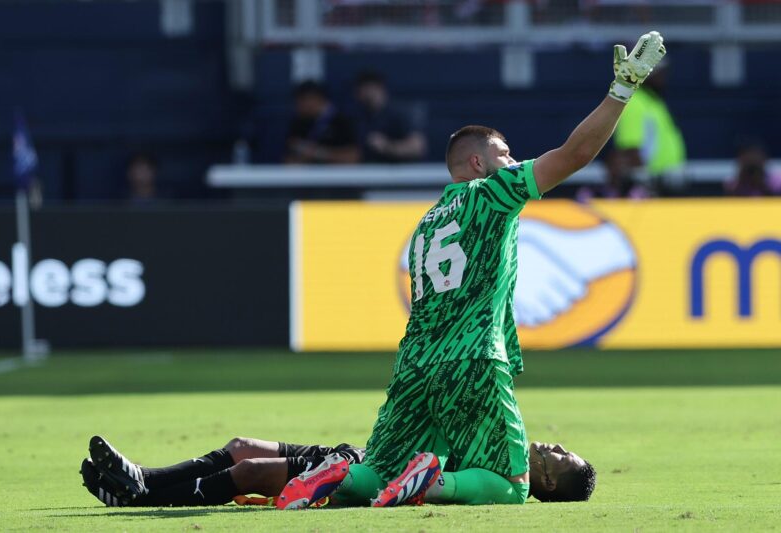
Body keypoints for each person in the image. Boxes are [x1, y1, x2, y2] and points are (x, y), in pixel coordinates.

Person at [275, 31, 666, 510]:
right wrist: (621, 91)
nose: (513, 161)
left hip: (415, 362)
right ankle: (434, 484)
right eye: (505, 155)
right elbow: (573, 157)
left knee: (380, 470)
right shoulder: (492, 193)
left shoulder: (428, 220)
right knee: (512, 483)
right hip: (473, 357)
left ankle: (340, 476)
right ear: (478, 163)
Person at [79, 435, 594, 507]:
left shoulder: (506, 486)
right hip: (365, 451)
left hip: (354, 474)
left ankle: (142, 498)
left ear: (549, 481)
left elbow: (428, 484)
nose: (552, 445)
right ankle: (144, 476)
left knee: (254, 470)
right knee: (240, 446)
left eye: (561, 455)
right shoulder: (499, 439)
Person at [612, 61, 686, 195]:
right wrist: (645, 184)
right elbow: (631, 147)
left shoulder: (653, 101)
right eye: (657, 72)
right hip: (651, 185)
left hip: (666, 182)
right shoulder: (634, 102)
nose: (663, 77)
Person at [354, 71, 427, 163]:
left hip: (401, 172)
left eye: (366, 89)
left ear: (378, 88)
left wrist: (387, 146)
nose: (362, 94)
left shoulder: (399, 113)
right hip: (370, 171)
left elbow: (418, 148)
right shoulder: (361, 116)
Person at [284, 80, 360, 164]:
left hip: (336, 175)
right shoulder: (299, 122)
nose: (297, 107)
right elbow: (289, 160)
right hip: (308, 175)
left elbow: (353, 157)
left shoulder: (342, 121)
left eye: (300, 102)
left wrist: (318, 153)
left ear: (313, 99)